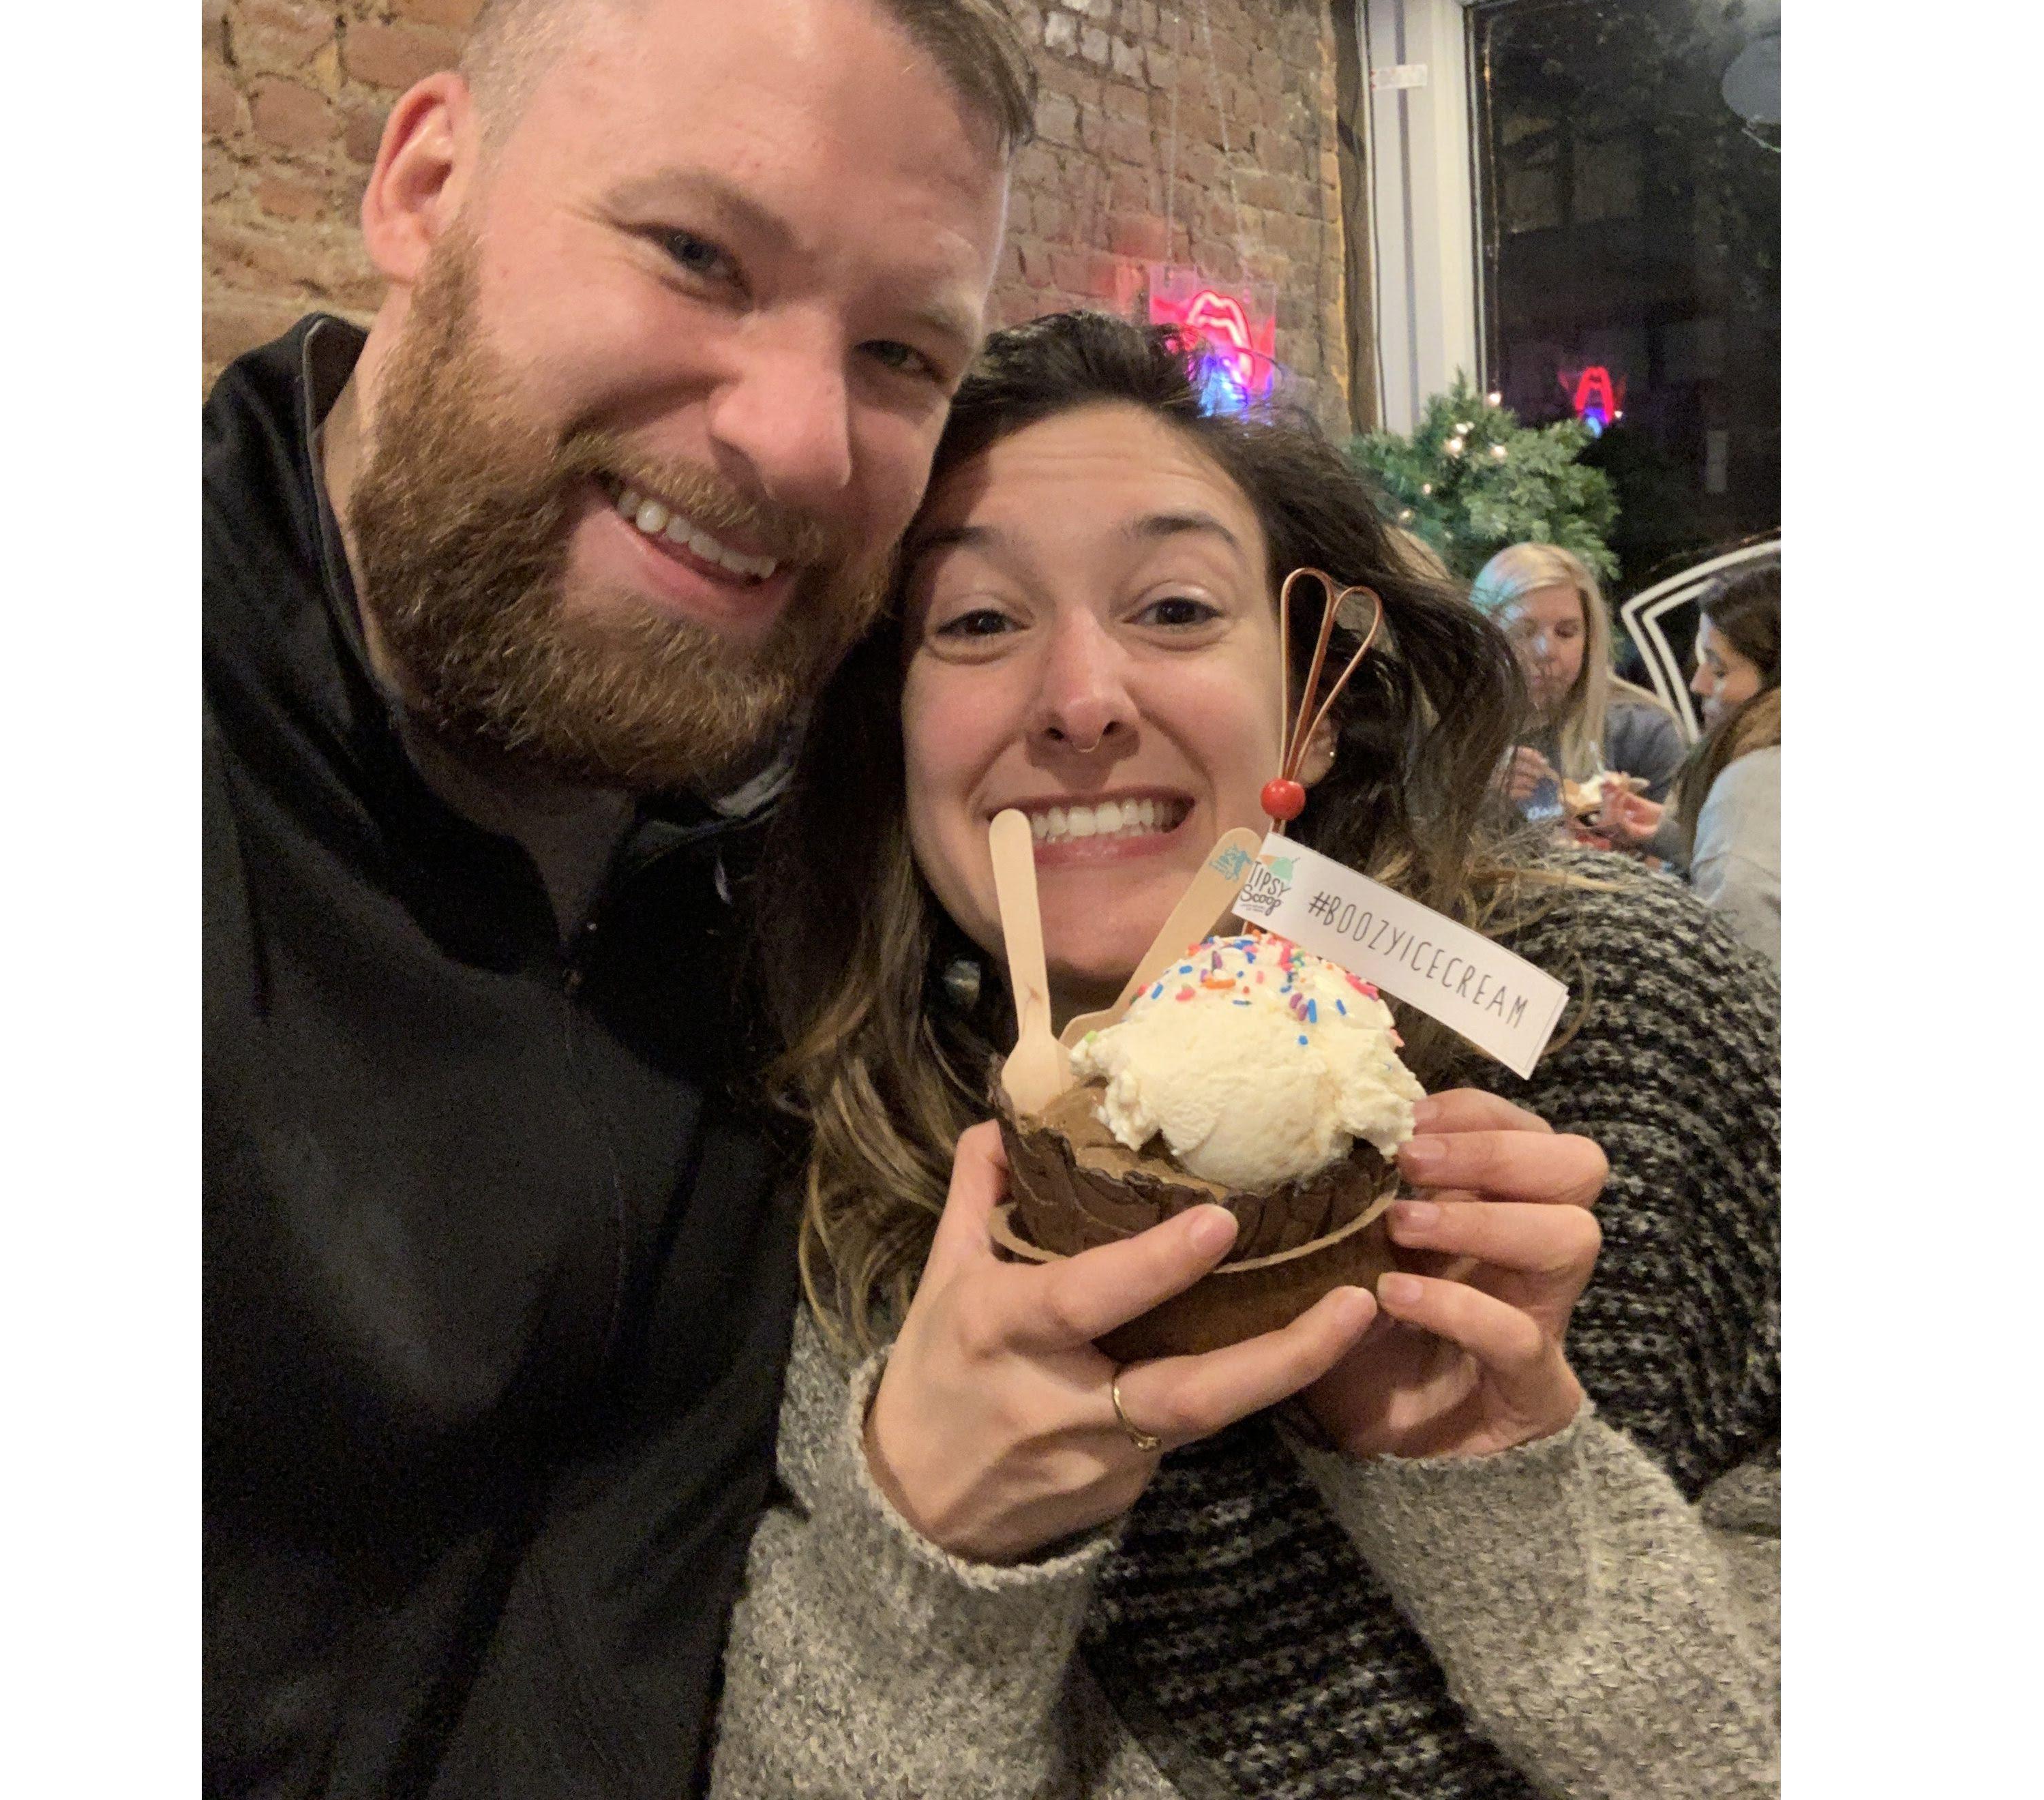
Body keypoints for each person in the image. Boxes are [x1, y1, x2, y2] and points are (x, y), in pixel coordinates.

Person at [204, 0, 1029, 1798]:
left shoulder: (847, 865)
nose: (795, 439)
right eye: (693, 252)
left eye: (902, 354)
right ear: (425, 181)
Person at [710, 314, 1779, 1799]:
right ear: (883, 727)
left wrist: (1509, 1497)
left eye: (1169, 606)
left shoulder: (1618, 1015)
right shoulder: (838, 1194)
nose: (1082, 697)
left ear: (1310, 704)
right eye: (972, 620)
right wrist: (931, 1566)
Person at [1597, 562, 1780, 969]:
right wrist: (1679, 837)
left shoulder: (1753, 783)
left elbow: (1739, 971)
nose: (1698, 684)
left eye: (1719, 668)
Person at [1470, 541, 1686, 824]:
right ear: (1484, 638)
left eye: (1566, 632)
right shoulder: (1444, 734)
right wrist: (1475, 797)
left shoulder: (1641, 732)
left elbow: (1681, 856)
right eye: (1522, 632)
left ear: (1590, 640)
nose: (1546, 651)